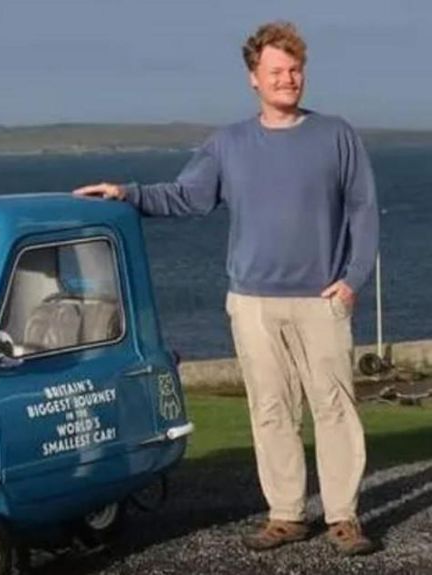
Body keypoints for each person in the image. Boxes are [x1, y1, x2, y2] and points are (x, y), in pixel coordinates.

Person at [72, 21, 378, 556]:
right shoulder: (229, 143)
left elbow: (363, 210)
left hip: (321, 301)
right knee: (269, 408)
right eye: (277, 71)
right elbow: (187, 196)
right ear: (253, 79)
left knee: (333, 409)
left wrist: (352, 282)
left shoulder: (336, 135)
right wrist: (127, 193)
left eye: (295, 69)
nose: (289, 79)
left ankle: (343, 517)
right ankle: (286, 513)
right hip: (253, 301)